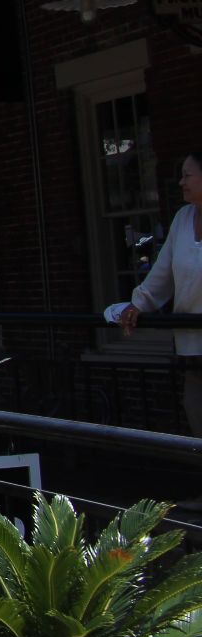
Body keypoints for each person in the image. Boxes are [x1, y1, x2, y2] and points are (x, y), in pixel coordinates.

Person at [119, 151, 202, 439]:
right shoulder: (183, 218)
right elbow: (162, 273)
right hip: (192, 346)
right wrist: (138, 303)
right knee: (196, 413)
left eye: (187, 175)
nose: (181, 182)